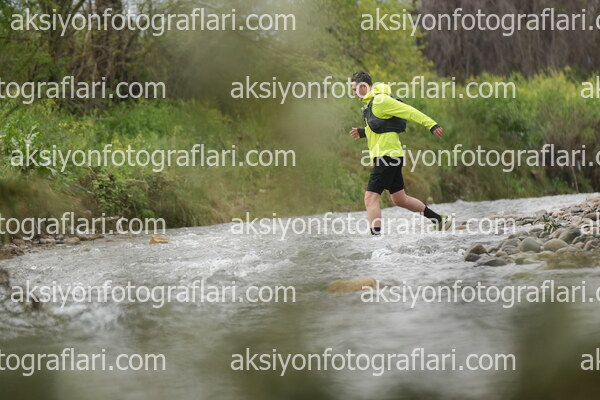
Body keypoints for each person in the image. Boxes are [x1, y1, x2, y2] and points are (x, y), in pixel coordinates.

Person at [349, 71, 451, 235]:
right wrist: (364, 132)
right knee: (399, 199)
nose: (354, 93)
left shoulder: (381, 100)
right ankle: (439, 220)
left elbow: (409, 111)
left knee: (370, 198)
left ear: (363, 87)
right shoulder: (371, 104)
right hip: (391, 156)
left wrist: (432, 125)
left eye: (355, 89)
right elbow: (381, 127)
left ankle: (376, 241)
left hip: (387, 156)